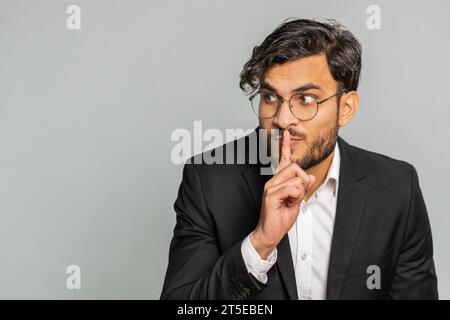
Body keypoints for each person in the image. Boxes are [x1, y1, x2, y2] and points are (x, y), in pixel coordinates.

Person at [161, 18, 438, 300]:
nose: (282, 119)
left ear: (346, 108)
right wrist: (259, 244)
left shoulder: (397, 188)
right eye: (270, 97)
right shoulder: (208, 180)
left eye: (305, 99)